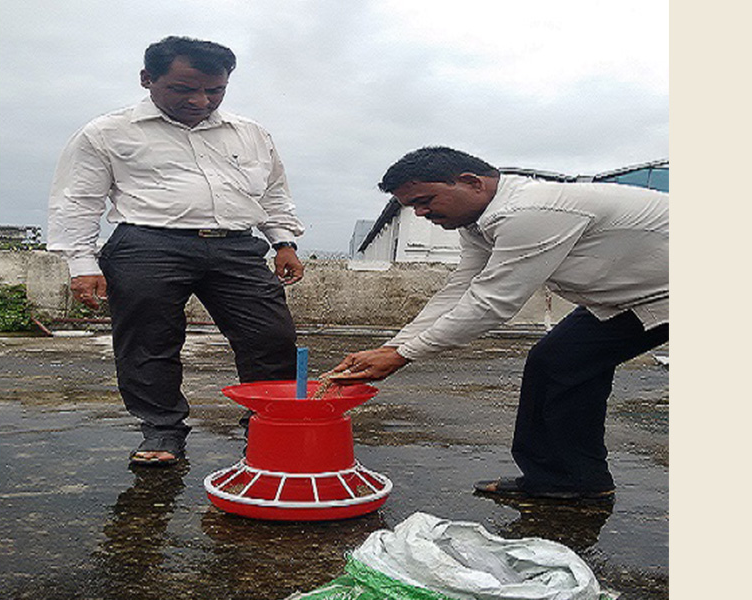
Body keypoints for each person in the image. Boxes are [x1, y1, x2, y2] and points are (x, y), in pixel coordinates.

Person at [331, 146, 668, 500]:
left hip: (667, 291)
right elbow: (460, 288)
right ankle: (570, 479)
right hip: (630, 296)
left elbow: (491, 303)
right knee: (556, 363)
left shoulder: (530, 211)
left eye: (426, 200)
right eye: (412, 206)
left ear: (472, 183)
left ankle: (568, 479)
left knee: (563, 362)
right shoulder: (477, 224)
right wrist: (392, 347)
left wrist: (403, 356)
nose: (421, 212)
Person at [48, 36, 305, 467]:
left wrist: (283, 241)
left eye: (214, 90)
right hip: (148, 245)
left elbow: (274, 192)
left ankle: (267, 424)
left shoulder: (251, 133)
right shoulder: (107, 132)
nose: (200, 100)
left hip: (237, 245)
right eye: (183, 89)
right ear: (148, 79)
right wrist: (81, 263)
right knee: (149, 342)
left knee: (270, 337)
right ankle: (162, 430)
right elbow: (77, 200)